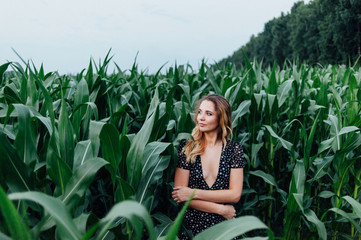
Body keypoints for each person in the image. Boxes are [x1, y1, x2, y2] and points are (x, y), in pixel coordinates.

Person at [172, 94, 246, 239]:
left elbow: (235, 194)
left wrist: (192, 193)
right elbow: (180, 195)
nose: (201, 117)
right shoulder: (187, 149)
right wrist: (220, 209)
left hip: (224, 229)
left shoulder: (234, 149)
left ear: (221, 118)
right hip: (192, 228)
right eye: (199, 112)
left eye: (209, 113)